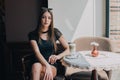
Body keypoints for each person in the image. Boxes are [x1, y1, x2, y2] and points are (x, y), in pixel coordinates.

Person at [28, 7, 70, 80]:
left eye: (49, 18)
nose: (46, 20)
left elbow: (68, 49)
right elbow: (37, 52)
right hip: (37, 64)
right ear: (40, 19)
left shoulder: (55, 32)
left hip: (52, 65)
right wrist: (46, 65)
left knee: (39, 72)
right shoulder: (33, 34)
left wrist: (57, 57)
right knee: (36, 66)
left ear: (51, 20)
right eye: (44, 17)